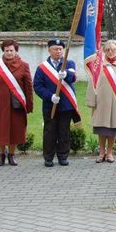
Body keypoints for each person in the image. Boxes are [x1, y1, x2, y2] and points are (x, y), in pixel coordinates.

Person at [33, 39, 78, 167]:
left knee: (64, 131)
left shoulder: (69, 63)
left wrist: (67, 75)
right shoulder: (42, 68)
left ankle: (63, 156)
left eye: (60, 49)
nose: (58, 51)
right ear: (49, 50)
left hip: (65, 105)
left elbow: (73, 77)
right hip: (50, 105)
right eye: (55, 49)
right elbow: (37, 86)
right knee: (49, 131)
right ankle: (48, 157)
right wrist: (49, 96)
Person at [86, 40, 116, 164]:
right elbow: (92, 83)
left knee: (113, 129)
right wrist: (91, 101)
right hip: (101, 103)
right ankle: (101, 152)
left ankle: (110, 152)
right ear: (103, 51)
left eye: (113, 49)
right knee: (101, 129)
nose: (110, 52)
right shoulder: (97, 64)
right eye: (107, 50)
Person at [0, 40, 33, 166]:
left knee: (15, 130)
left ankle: (12, 156)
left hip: (16, 104)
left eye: (11, 50)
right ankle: (0, 156)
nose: (9, 53)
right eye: (6, 50)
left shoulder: (24, 65)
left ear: (16, 50)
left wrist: (29, 104)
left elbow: (28, 86)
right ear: (3, 51)